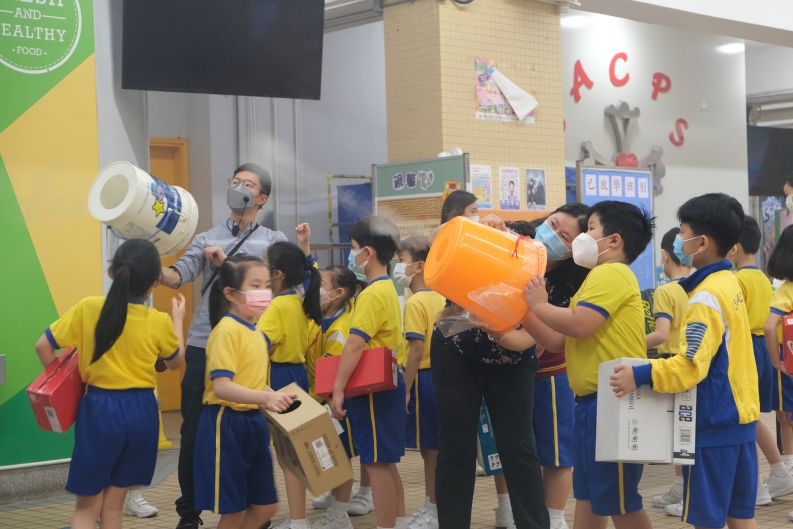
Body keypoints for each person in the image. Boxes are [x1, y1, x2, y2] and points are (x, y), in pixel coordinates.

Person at [611, 193, 760, 529]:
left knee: (707, 519)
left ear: (702, 242)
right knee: (740, 516)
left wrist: (640, 373)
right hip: (741, 419)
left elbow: (690, 366)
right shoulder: (730, 283)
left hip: (714, 424)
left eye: (682, 232)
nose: (678, 239)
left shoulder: (705, 298)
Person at [160, 163, 287, 529]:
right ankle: (189, 512)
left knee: (250, 427)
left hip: (252, 343)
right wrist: (152, 267)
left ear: (261, 198)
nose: (239, 187)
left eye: (248, 184)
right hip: (204, 343)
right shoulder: (205, 237)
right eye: (235, 181)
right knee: (193, 431)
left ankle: (249, 508)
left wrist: (227, 263)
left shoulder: (274, 240)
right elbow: (178, 275)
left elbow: (280, 286)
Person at [34, 239, 186, 529]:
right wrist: (178, 319)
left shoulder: (88, 308)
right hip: (142, 412)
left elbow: (43, 346)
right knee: (114, 506)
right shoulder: (158, 320)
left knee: (87, 507)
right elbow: (176, 362)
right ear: (156, 282)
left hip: (100, 409)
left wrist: (63, 386)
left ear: (112, 272)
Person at [523, 201, 655, 529]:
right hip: (592, 402)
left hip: (613, 402)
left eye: (591, 228)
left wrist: (539, 305)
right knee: (590, 497)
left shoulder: (611, 273)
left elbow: (580, 324)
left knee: (619, 501)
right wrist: (523, 310)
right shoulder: (598, 277)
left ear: (614, 240)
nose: (584, 235)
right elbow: (559, 341)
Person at [194, 254, 296, 529]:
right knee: (234, 511)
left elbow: (250, 380)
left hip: (253, 424)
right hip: (226, 424)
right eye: (255, 285)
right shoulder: (226, 331)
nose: (264, 292)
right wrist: (267, 398)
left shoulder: (255, 331)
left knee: (266, 507)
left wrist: (275, 396)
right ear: (231, 293)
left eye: (267, 285)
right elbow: (222, 386)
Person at [330, 217, 408, 529]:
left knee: (376, 465)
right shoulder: (388, 287)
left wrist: (338, 389)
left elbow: (354, 344)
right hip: (389, 382)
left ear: (368, 252)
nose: (351, 255)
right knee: (385, 464)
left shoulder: (372, 294)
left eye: (353, 248)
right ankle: (398, 523)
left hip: (373, 389)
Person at [518, 209, 590, 529]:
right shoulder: (517, 243)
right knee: (522, 452)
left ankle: (556, 519)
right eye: (552, 224)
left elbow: (543, 340)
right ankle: (522, 513)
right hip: (512, 371)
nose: (552, 235)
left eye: (564, 237)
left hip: (550, 373)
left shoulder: (572, 281)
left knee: (558, 454)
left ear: (574, 250)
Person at [257, 241, 322, 529]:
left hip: (278, 379)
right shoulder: (298, 301)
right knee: (293, 454)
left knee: (287, 457)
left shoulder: (276, 306)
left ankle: (298, 522)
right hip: (297, 377)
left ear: (278, 274)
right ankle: (298, 519)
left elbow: (258, 345)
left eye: (264, 264)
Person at [731, 216, 793, 508]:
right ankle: (778, 471)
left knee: (745, 417)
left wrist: (775, 361)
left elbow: (766, 325)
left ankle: (758, 483)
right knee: (754, 416)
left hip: (749, 348)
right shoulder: (761, 279)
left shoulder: (738, 280)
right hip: (761, 349)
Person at [305, 266, 368, 529]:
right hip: (319, 397)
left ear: (338, 292)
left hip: (334, 400)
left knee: (339, 456)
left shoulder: (342, 328)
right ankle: (335, 499)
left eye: (321, 284)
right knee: (330, 456)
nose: (315, 288)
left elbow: (329, 373)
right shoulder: (321, 316)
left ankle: (340, 516)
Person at [396, 236, 446, 529]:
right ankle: (433, 505)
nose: (398, 266)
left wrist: (405, 388)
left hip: (425, 378)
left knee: (431, 450)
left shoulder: (415, 302)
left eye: (401, 259)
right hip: (444, 376)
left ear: (418, 265)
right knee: (435, 448)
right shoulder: (442, 296)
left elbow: (415, 350)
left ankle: (434, 509)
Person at [645, 228, 692, 516]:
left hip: (673, 365)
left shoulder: (665, 291)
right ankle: (680, 487)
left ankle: (686, 492)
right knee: (686, 431)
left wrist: (630, 343)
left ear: (664, 255)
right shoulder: (701, 286)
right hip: (696, 363)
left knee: (680, 433)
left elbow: (661, 334)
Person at [765, 224, 793, 523]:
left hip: (791, 363)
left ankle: (789, 466)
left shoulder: (786, 289)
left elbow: (770, 326)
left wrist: (777, 361)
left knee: (786, 417)